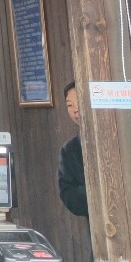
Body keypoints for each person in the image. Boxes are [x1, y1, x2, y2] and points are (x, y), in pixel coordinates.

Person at [58, 80, 88, 218]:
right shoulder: (69, 150)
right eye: (69, 105)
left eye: (79, 101)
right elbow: (69, 194)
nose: (75, 109)